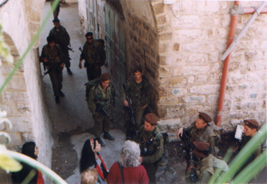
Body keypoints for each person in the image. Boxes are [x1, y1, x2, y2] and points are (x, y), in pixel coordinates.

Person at [121, 66, 150, 140]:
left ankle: (135, 132)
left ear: (141, 74)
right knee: (128, 119)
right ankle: (128, 131)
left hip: (140, 105)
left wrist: (146, 103)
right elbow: (123, 90)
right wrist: (124, 100)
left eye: (138, 74)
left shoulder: (144, 83)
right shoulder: (130, 82)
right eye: (135, 74)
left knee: (137, 122)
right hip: (130, 103)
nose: (137, 76)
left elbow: (148, 94)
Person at [87, 73, 115, 147]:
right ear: (101, 82)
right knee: (98, 123)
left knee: (107, 121)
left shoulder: (110, 87)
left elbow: (112, 96)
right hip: (98, 109)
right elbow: (91, 102)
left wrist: (112, 105)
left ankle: (106, 132)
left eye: (108, 83)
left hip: (107, 107)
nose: (106, 84)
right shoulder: (95, 90)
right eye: (105, 83)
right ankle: (97, 137)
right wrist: (94, 112)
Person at [135, 113, 163, 184]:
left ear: (153, 126)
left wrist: (144, 159)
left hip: (151, 163)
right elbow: (136, 139)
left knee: (150, 179)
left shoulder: (158, 137)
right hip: (141, 157)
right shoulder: (143, 129)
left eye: (147, 126)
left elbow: (158, 155)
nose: (145, 127)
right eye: (144, 124)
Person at [41, 35, 65, 104]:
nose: (52, 44)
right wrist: (43, 59)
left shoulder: (57, 47)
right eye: (51, 43)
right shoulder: (45, 48)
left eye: (53, 43)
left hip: (58, 67)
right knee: (54, 82)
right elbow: (42, 57)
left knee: (60, 80)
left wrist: (62, 63)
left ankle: (59, 90)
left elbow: (62, 56)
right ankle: (56, 95)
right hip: (51, 67)